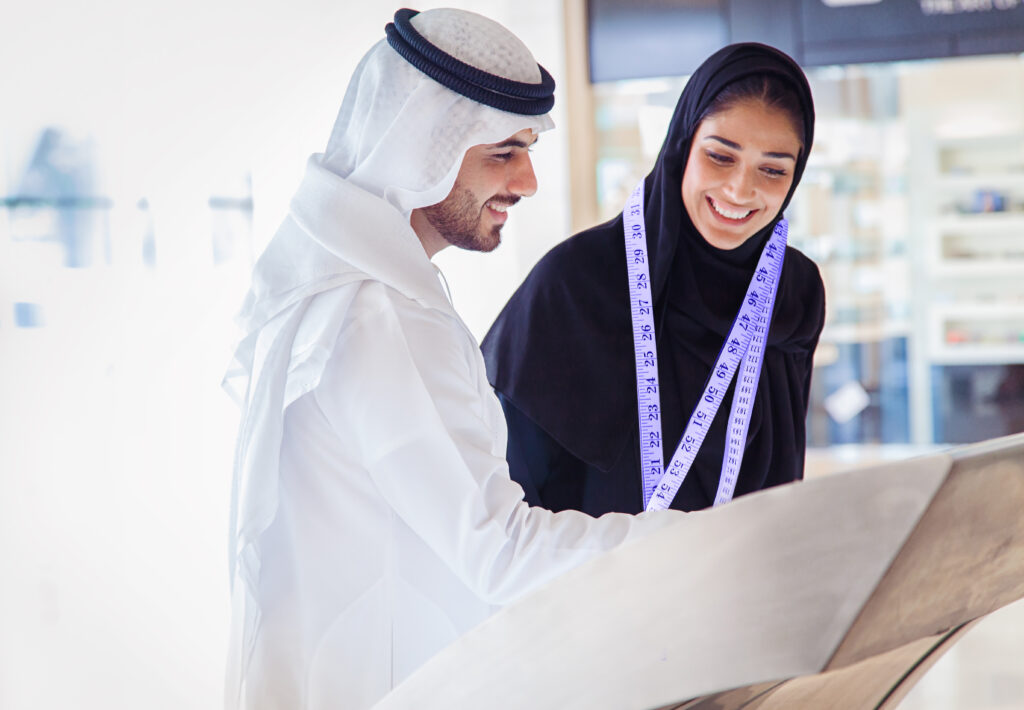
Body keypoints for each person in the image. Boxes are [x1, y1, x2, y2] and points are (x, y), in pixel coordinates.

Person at [222, 9, 686, 710]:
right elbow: (500, 552)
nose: (528, 181)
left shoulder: (351, 285)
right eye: (503, 153)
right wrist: (699, 542)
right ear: (420, 148)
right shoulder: (380, 314)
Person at [481, 43, 824, 516]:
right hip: (599, 563)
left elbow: (784, 467)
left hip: (753, 559)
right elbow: (504, 493)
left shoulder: (793, 290)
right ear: (683, 145)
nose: (741, 190)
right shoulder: (578, 283)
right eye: (720, 157)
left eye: (773, 169)